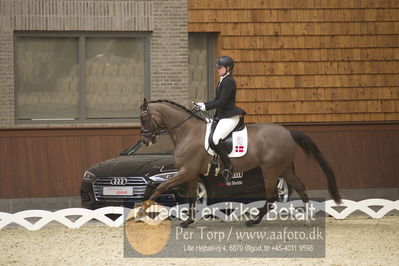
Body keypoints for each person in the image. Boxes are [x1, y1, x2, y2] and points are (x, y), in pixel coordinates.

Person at [196, 56, 246, 181]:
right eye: (217, 67)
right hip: (222, 116)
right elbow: (217, 100)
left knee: (216, 138)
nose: (217, 70)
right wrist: (203, 104)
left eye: (220, 67)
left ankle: (228, 167)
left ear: (227, 68)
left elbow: (222, 102)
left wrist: (206, 107)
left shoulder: (229, 81)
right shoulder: (222, 80)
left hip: (230, 117)